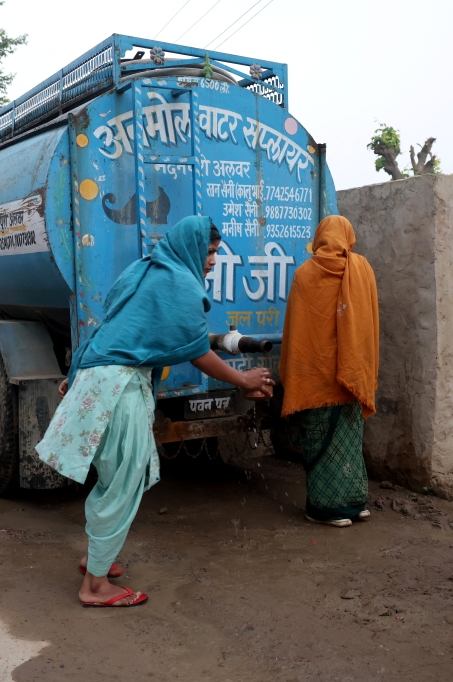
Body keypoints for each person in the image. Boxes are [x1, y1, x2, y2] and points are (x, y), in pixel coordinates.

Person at [36, 216, 274, 607]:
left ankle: (95, 560)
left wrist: (75, 372)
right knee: (125, 481)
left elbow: (107, 326)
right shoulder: (179, 283)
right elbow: (197, 350)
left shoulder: (142, 270)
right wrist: (243, 381)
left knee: (112, 477)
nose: (213, 261)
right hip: (120, 387)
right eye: (211, 252)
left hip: (97, 377)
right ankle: (94, 587)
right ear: (194, 249)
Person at [279, 215, 379, 528]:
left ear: (320, 237)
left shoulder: (304, 274)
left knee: (320, 440)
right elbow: (368, 322)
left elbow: (297, 330)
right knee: (348, 443)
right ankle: (355, 503)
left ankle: (327, 509)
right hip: (351, 375)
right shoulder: (361, 269)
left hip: (315, 378)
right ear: (348, 237)